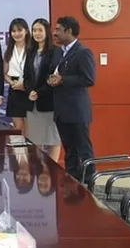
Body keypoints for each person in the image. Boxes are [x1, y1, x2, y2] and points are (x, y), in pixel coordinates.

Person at [48, 16, 96, 183]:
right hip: (61, 111)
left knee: (84, 150)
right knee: (69, 151)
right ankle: (72, 183)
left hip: (77, 111)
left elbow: (89, 79)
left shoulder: (83, 52)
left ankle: (90, 184)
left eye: (58, 29)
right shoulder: (58, 52)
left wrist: (63, 80)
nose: (55, 33)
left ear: (69, 31)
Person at [23, 18, 61, 162]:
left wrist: (39, 92)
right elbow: (26, 76)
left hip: (49, 101)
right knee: (35, 139)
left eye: (40, 30)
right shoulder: (30, 52)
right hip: (33, 102)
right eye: (34, 30)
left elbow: (52, 76)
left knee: (53, 139)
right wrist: (30, 91)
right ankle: (39, 168)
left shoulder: (55, 51)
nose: (37, 33)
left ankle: (53, 169)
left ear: (47, 32)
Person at [3, 18, 31, 134]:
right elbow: (4, 73)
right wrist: (12, 83)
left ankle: (32, 147)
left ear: (26, 31)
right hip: (14, 89)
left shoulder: (32, 49)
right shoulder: (9, 50)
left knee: (31, 128)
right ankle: (20, 147)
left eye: (20, 30)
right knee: (17, 128)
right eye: (13, 31)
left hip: (30, 89)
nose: (17, 34)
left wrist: (24, 84)